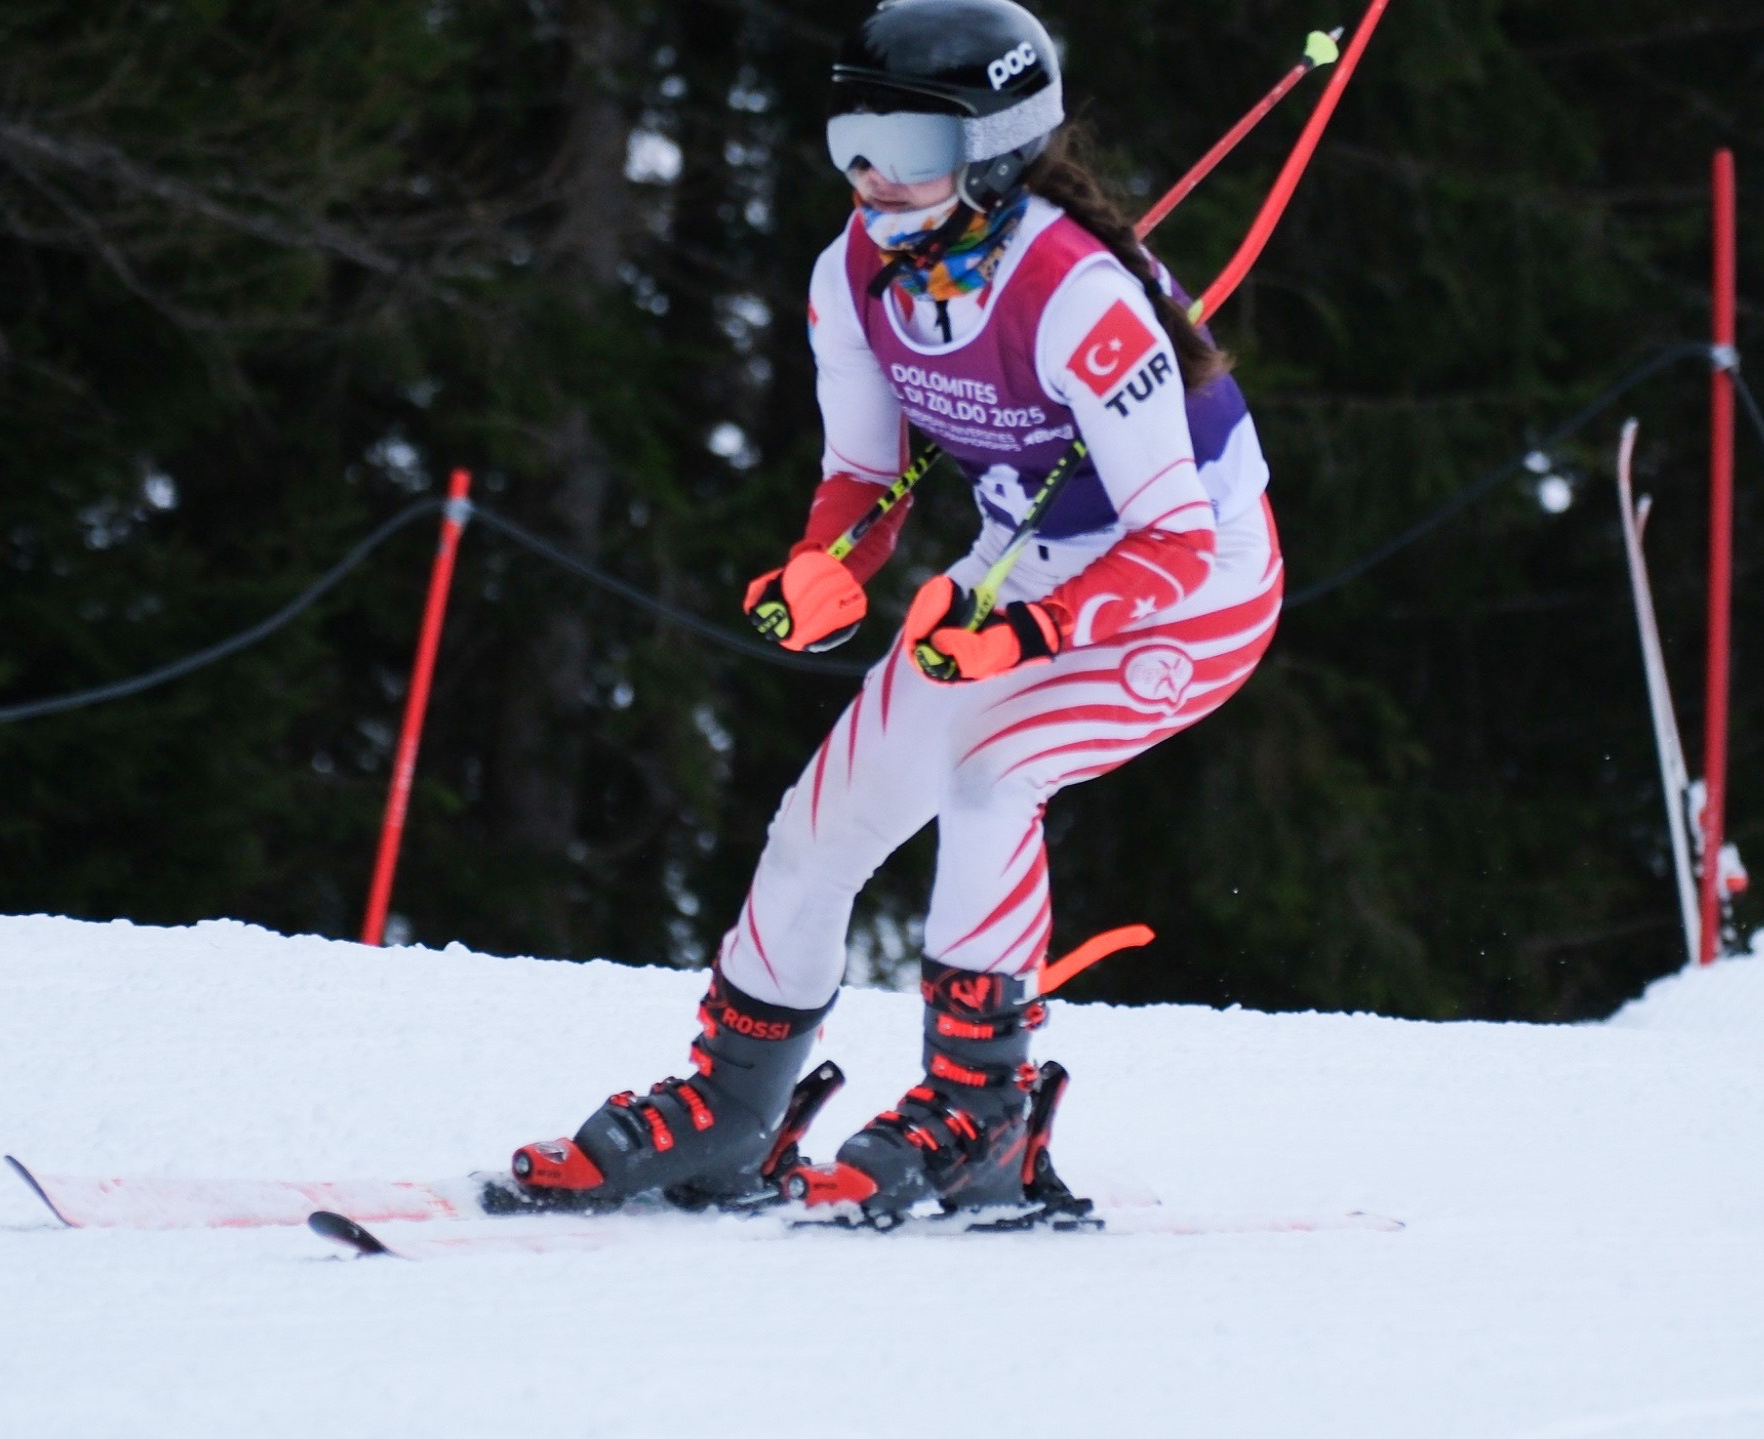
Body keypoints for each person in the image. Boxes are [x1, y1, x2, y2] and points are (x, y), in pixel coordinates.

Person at [505, 0, 1280, 1222]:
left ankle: (983, 1116)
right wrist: (825, 566)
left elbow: (1178, 537)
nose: (871, 175)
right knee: (820, 825)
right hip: (1016, 566)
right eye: (851, 138)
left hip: (1195, 588)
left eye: (909, 147)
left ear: (995, 150)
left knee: (993, 776)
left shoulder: (1077, 296)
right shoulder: (853, 275)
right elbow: (863, 479)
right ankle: (730, 1110)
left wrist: (1024, 635)